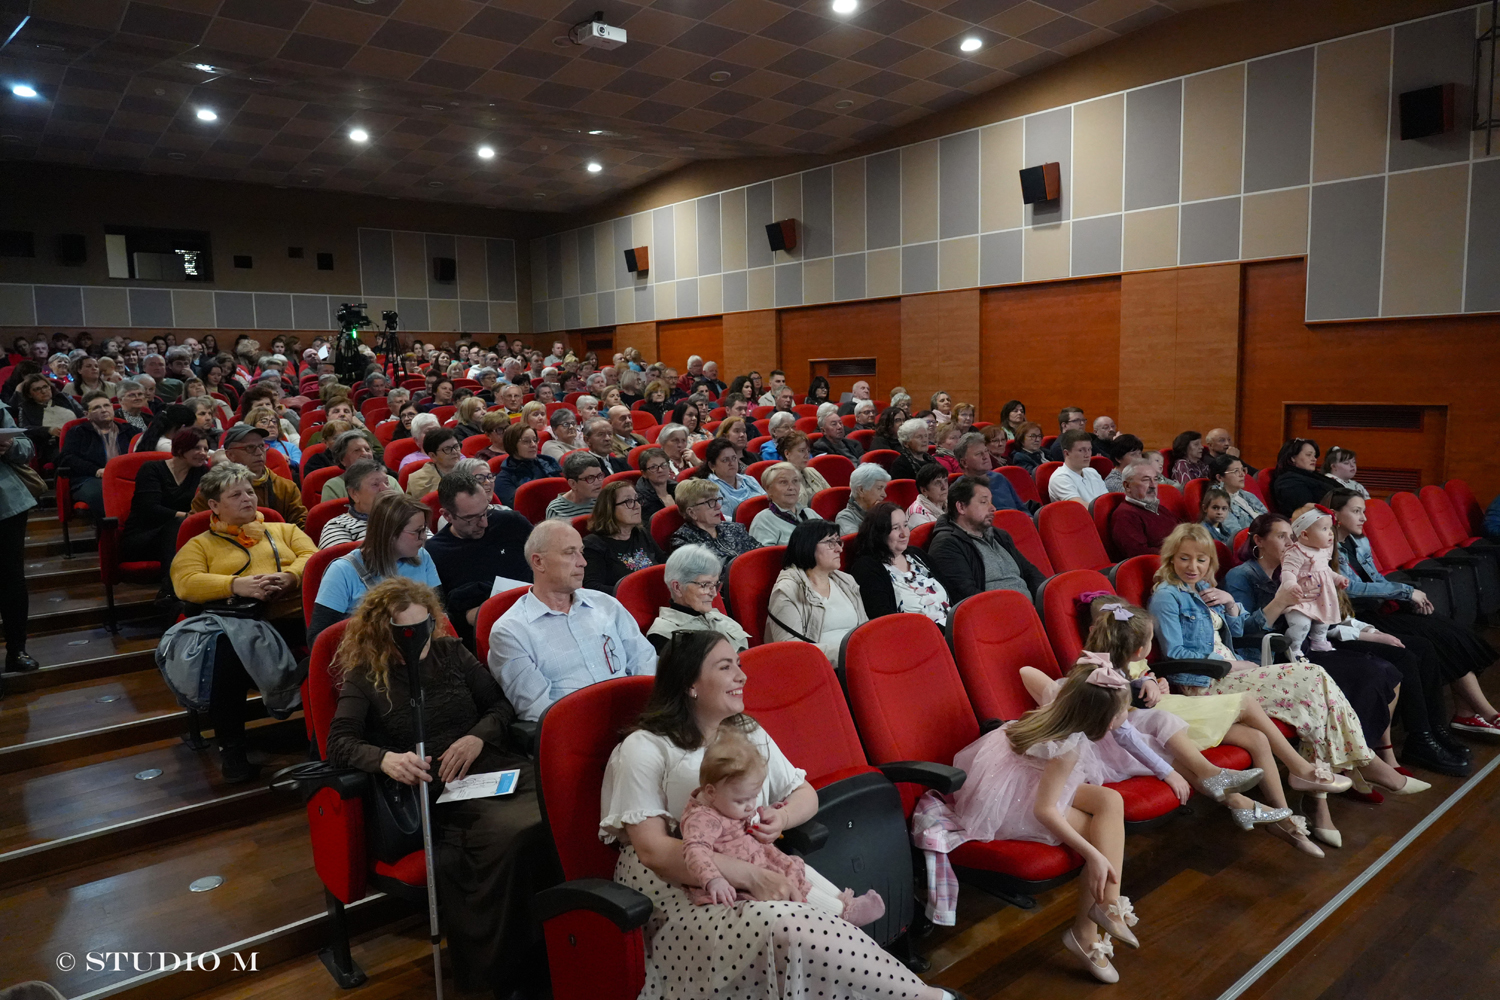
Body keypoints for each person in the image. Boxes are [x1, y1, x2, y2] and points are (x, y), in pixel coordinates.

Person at [599, 630, 958, 1000]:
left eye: (739, 664)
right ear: (690, 683)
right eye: (726, 667)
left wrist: (782, 819)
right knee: (788, 924)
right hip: (675, 886)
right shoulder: (644, 746)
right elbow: (652, 851)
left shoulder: (744, 731)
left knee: (812, 913)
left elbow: (804, 795)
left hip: (744, 857)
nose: (742, 676)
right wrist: (752, 876)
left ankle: (920, 996)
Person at [326, 577, 561, 995]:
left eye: (424, 628)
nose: (418, 641)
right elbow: (339, 742)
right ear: (383, 634)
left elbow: (499, 705)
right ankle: (511, 968)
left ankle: (558, 946)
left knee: (558, 816)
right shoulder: (366, 676)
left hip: (491, 763)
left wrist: (476, 738)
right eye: (405, 633)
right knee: (516, 836)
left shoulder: (451, 651)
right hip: (440, 787)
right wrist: (385, 759)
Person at [1149, 523, 1419, 847]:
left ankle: (1325, 783)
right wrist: (1232, 665)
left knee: (1314, 691)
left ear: (1210, 562)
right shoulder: (1166, 596)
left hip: (1231, 675)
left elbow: (1243, 628)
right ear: (1171, 558)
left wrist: (1230, 605)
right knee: (1312, 676)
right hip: (1205, 682)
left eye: (1201, 560)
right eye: (1184, 559)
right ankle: (1359, 763)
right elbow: (1176, 654)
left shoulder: (1203, 590)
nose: (1193, 566)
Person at [1064, 598, 1324, 856]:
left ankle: (1247, 802)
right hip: (1111, 745)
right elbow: (1126, 735)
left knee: (1169, 725)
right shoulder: (1102, 678)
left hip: (1130, 727)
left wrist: (1149, 682)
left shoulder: (1109, 667)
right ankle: (1240, 801)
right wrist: (1167, 772)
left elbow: (1133, 683)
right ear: (1139, 650)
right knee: (1165, 742)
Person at [1229, 508, 1470, 781]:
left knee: (1402, 655)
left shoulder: (1302, 568)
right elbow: (1243, 631)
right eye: (1282, 537)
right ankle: (1363, 759)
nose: (1290, 543)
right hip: (1280, 654)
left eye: (1291, 536)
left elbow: (1326, 617)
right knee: (1375, 671)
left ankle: (1422, 736)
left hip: (1314, 643)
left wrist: (1369, 634)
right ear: (1259, 541)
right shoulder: (1243, 575)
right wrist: (1281, 601)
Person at [934, 664, 1136, 982]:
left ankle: (1108, 904)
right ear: (1105, 721)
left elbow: (1026, 670)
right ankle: (1086, 935)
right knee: (1101, 840)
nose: (1127, 715)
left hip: (1032, 780)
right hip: (1016, 801)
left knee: (1111, 801)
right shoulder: (1068, 747)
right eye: (1123, 711)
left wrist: (1070, 684)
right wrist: (1095, 855)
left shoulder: (1065, 703)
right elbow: (1045, 810)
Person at [169, 461, 315, 781]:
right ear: (214, 505)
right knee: (225, 650)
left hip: (293, 617)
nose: (247, 498)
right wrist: (235, 585)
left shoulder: (285, 531)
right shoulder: (200, 543)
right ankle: (232, 749)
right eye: (235, 495)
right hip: (240, 624)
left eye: (249, 492)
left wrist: (290, 577)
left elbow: (313, 558)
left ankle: (329, 734)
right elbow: (185, 582)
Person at [1326, 490, 1500, 740]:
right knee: (1436, 639)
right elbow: (1351, 589)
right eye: (1356, 511)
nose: (1363, 517)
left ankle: (1468, 712)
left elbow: (1376, 579)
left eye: (1363, 511)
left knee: (1452, 632)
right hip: (1358, 617)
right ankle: (1478, 713)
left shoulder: (1359, 540)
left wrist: (1405, 599)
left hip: (1379, 607)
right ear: (1335, 515)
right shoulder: (1326, 547)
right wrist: (1406, 592)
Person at [682, 725, 885, 923]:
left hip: (762, 857)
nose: (750, 805)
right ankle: (841, 914)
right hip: (742, 879)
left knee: (799, 867)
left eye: (754, 797)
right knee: (790, 881)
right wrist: (713, 879)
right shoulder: (702, 819)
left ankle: (847, 902)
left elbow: (742, 820)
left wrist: (769, 811)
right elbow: (694, 850)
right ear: (711, 792)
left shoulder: (724, 802)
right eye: (742, 800)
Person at [487, 520, 657, 720]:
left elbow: (645, 662)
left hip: (639, 717)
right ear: (538, 562)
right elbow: (539, 711)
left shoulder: (605, 604)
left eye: (581, 551)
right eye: (570, 553)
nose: (583, 562)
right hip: (578, 729)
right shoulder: (511, 632)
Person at [309, 491, 442, 650]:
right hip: (369, 655)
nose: (424, 537)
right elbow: (318, 641)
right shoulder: (341, 571)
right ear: (390, 533)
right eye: (417, 531)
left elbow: (439, 614)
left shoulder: (422, 556)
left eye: (424, 529)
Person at [426, 471, 534, 647]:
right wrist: (471, 616)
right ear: (447, 516)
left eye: (485, 512)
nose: (484, 523)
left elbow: (546, 559)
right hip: (485, 637)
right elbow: (441, 617)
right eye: (471, 518)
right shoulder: (434, 553)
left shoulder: (512, 523)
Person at [927, 475, 1047, 605]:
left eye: (991, 501)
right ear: (961, 507)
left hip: (1031, 609)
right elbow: (967, 596)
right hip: (998, 612)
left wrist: (1045, 601)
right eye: (984, 502)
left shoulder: (1000, 536)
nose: (993, 508)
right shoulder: (946, 545)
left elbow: (1031, 573)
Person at [120, 427, 211, 580]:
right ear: (181, 448)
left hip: (182, 534)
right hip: (143, 536)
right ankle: (171, 588)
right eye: (197, 448)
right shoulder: (151, 469)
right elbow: (149, 509)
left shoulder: (203, 472)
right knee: (177, 526)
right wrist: (188, 517)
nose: (203, 453)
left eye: (206, 449)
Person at [848, 502, 950, 626]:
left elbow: (950, 591)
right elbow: (884, 618)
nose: (904, 534)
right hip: (916, 634)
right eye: (896, 528)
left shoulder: (916, 554)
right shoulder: (867, 568)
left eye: (905, 525)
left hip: (950, 626)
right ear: (879, 533)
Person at [193, 424, 305, 527]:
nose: (259, 452)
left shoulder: (286, 488)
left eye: (262, 446)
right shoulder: (213, 489)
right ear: (230, 455)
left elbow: (301, 526)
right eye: (250, 448)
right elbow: (196, 528)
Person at [646, 545, 750, 651]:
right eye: (705, 585)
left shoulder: (723, 619)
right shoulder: (664, 635)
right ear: (677, 587)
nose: (714, 593)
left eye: (715, 585)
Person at [1275, 506, 1347, 659]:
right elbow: (1288, 572)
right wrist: (1291, 584)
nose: (1330, 533)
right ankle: (1293, 647)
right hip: (1300, 597)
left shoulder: (1323, 551)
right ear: (1305, 535)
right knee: (1301, 624)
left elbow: (1326, 571)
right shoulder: (1296, 552)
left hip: (1321, 597)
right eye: (1324, 529)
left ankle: (1319, 640)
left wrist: (1338, 579)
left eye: (1330, 528)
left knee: (1324, 620)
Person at [0, 396, 38, 672]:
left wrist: (10, 445)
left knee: (11, 580)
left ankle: (16, 650)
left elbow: (27, 448)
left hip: (6, 505)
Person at [58, 391, 133, 525]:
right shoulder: (77, 432)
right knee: (103, 492)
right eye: (97, 407)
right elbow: (67, 458)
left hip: (126, 477)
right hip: (89, 478)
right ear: (87, 414)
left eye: (107, 405)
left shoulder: (129, 430)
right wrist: (96, 470)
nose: (104, 410)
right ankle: (112, 532)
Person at [583, 479, 664, 593]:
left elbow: (663, 561)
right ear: (609, 508)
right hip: (624, 601)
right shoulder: (594, 545)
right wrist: (636, 592)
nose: (637, 506)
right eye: (628, 501)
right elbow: (593, 587)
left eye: (637, 499)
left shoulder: (640, 532)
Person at [670, 477, 760, 580]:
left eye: (717, 500)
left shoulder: (735, 528)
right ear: (692, 512)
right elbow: (704, 580)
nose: (718, 506)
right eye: (710, 502)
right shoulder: (684, 542)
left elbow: (761, 556)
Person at [1110, 461, 1181, 556]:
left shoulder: (1158, 508)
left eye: (1155, 480)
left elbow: (1183, 529)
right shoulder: (1124, 515)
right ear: (1127, 486)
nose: (1153, 485)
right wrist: (1179, 554)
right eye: (1146, 480)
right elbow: (1140, 553)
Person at [316, 459, 389, 546]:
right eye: (375, 484)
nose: (386, 489)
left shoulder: (400, 517)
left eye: (387, 483)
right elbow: (341, 555)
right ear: (354, 494)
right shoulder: (338, 526)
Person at [954, 431, 1030, 512]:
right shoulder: (961, 488)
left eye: (986, 451)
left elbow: (1021, 508)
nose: (985, 457)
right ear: (964, 463)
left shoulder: (999, 478)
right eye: (978, 454)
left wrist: (1029, 517)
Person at [749, 462, 821, 546]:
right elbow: (765, 553)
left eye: (795, 481)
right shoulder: (764, 520)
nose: (791, 487)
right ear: (768, 489)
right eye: (783, 482)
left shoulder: (809, 513)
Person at [492, 423, 562, 507]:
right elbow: (518, 508)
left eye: (535, 440)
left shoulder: (548, 463)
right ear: (512, 444)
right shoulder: (503, 479)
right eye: (526, 441)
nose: (533, 445)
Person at [1269, 438, 1340, 516]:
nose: (1314, 459)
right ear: (1292, 458)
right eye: (1308, 455)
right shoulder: (1288, 482)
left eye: (1314, 456)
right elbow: (1306, 511)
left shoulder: (1311, 475)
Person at [702, 437, 764, 519]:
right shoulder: (708, 488)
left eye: (734, 458)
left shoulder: (749, 480)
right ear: (712, 466)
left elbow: (767, 502)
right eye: (725, 460)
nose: (731, 463)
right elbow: (717, 517)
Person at [1208, 452, 1266, 538]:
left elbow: (1269, 518)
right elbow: (1238, 536)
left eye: (1242, 470)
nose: (1242, 474)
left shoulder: (1247, 495)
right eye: (1236, 471)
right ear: (1220, 477)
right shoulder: (1218, 502)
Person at [1048, 429, 1108, 505]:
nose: (1087, 455)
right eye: (1081, 450)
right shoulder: (1060, 478)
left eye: (1089, 449)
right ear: (1066, 453)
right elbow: (1080, 507)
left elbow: (1106, 501)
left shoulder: (1092, 472)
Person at [405, 428, 463, 498]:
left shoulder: (471, 470)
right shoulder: (418, 481)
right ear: (433, 456)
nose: (454, 452)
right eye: (447, 449)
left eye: (456, 446)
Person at [546, 451, 604, 520]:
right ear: (573, 484)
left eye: (599, 475)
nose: (598, 482)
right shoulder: (556, 510)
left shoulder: (604, 499)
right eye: (590, 478)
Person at [836, 462, 890, 534]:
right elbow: (859, 541)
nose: (884, 495)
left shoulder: (884, 511)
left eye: (884, 489)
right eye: (879, 488)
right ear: (861, 490)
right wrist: (875, 517)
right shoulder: (845, 518)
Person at [779, 431, 828, 508]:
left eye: (808, 451)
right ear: (787, 454)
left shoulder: (812, 471)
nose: (807, 455)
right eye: (802, 451)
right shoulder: (781, 479)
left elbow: (829, 497)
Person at [246, 404, 301, 468]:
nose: (272, 425)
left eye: (274, 421)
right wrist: (275, 458)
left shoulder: (291, 447)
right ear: (252, 426)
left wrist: (289, 462)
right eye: (264, 422)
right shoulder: (247, 449)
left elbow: (301, 467)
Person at [635, 446, 677, 523]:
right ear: (644, 473)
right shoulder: (641, 501)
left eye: (663, 465)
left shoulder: (678, 489)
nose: (660, 470)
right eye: (653, 467)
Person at [904, 464, 949, 530]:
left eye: (946, 481)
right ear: (924, 490)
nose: (944, 487)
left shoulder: (949, 503)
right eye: (937, 483)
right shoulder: (918, 516)